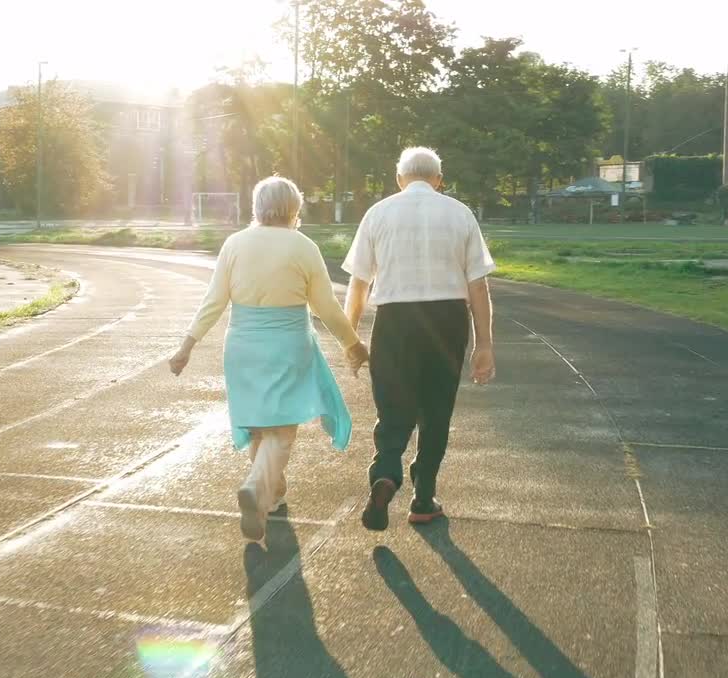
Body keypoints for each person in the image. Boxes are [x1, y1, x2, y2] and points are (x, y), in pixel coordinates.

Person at [169, 176, 370, 545]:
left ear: (256, 207)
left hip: (242, 346)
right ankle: (256, 488)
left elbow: (213, 301)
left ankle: (269, 498)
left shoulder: (234, 244)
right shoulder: (303, 247)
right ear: (295, 208)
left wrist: (187, 346)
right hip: (287, 345)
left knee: (260, 427)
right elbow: (325, 306)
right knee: (281, 429)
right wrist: (352, 344)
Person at [341, 147, 496, 532]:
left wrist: (350, 339)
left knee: (394, 407)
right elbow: (478, 285)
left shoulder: (378, 214)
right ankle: (423, 498)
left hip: (395, 319)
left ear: (399, 179)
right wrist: (484, 345)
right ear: (439, 180)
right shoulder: (460, 214)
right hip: (447, 320)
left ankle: (387, 471)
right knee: (436, 411)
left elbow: (358, 284)